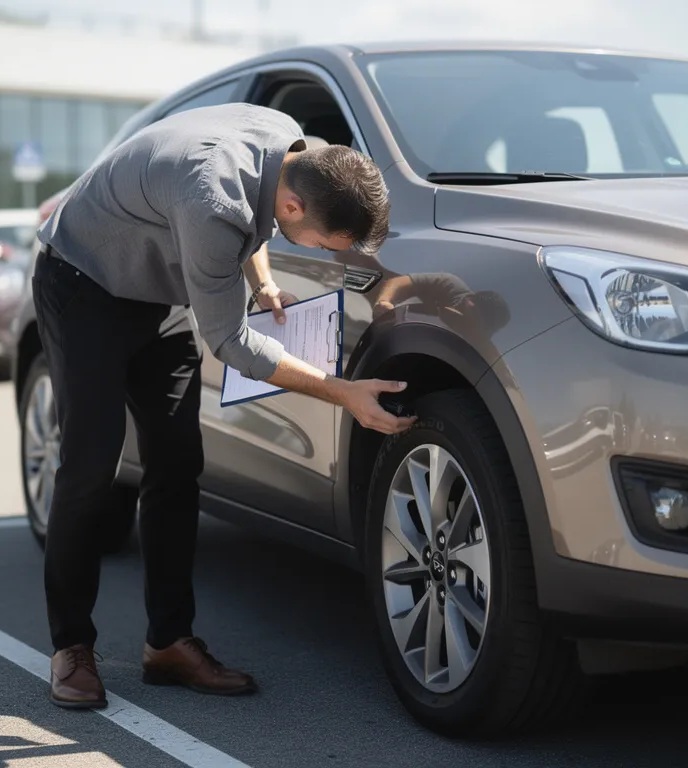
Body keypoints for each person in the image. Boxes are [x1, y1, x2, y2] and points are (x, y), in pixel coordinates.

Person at [31, 101, 415, 709]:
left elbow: (254, 220)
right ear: (296, 208)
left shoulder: (292, 144)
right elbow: (231, 340)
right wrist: (340, 391)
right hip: (85, 282)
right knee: (90, 468)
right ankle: (71, 648)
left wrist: (262, 283)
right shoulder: (212, 199)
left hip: (162, 291)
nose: (328, 255)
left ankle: (168, 643)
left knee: (178, 464)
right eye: (325, 243)